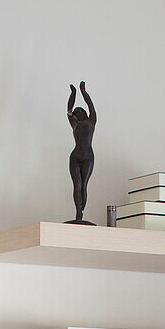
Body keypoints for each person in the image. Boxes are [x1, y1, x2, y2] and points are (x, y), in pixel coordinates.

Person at [67, 81, 96, 224]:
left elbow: (91, 106)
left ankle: (81, 211)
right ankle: (78, 211)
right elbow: (69, 110)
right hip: (75, 157)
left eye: (80, 111)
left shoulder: (91, 121)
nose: (77, 113)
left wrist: (83, 92)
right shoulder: (75, 124)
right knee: (77, 184)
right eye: (76, 112)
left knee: (84, 185)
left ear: (83, 113)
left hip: (88, 157)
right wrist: (73, 94)